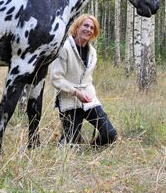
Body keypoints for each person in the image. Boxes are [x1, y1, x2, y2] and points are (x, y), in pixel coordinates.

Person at [50, 14, 117, 147]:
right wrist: (75, 92)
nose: (89, 29)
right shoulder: (64, 48)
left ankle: (93, 149)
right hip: (68, 98)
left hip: (88, 98)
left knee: (110, 134)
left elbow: (87, 78)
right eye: (85, 25)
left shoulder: (93, 52)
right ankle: (67, 144)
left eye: (92, 28)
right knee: (70, 143)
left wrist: (86, 93)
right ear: (77, 27)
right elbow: (55, 78)